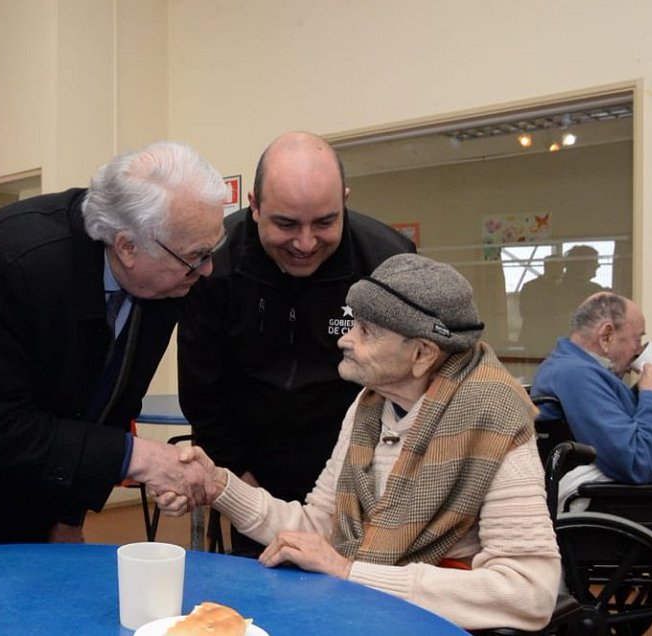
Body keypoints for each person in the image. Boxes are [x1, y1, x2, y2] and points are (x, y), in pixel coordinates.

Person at [0, 140, 226, 554]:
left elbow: (113, 400)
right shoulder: (16, 259)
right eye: (197, 256)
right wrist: (142, 459)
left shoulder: (168, 277)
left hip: (18, 478)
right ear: (127, 245)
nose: (208, 269)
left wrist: (68, 516)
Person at [162, 254, 560, 631]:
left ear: (422, 353)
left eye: (366, 331)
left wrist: (350, 574)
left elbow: (530, 592)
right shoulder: (370, 406)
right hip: (364, 616)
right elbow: (320, 529)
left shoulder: (495, 419)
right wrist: (219, 485)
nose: (344, 339)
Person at [177, 131, 414, 556]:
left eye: (325, 222)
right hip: (254, 471)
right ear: (254, 205)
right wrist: (240, 482)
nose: (305, 244)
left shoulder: (387, 262)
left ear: (344, 199)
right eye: (285, 224)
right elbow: (202, 389)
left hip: (356, 474)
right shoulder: (216, 264)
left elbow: (408, 385)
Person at [531, 292, 652, 506]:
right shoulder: (576, 375)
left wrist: (640, 394)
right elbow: (636, 461)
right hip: (633, 501)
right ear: (606, 336)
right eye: (637, 339)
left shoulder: (576, 369)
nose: (638, 351)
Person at [517, 253, 564, 355]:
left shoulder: (562, 288)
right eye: (560, 266)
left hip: (555, 337)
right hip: (535, 338)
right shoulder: (531, 287)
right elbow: (525, 311)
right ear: (548, 267)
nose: (562, 270)